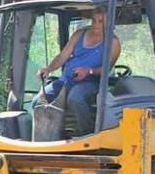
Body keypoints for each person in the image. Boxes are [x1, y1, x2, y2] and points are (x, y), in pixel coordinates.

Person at [33, 7, 122, 136]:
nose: (96, 24)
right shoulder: (79, 34)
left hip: (91, 83)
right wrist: (48, 68)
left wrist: (89, 71)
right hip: (66, 80)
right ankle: (48, 135)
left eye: (101, 21)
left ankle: (87, 136)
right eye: (94, 20)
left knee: (75, 98)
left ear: (110, 23)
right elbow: (62, 57)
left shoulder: (113, 42)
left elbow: (106, 69)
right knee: (37, 101)